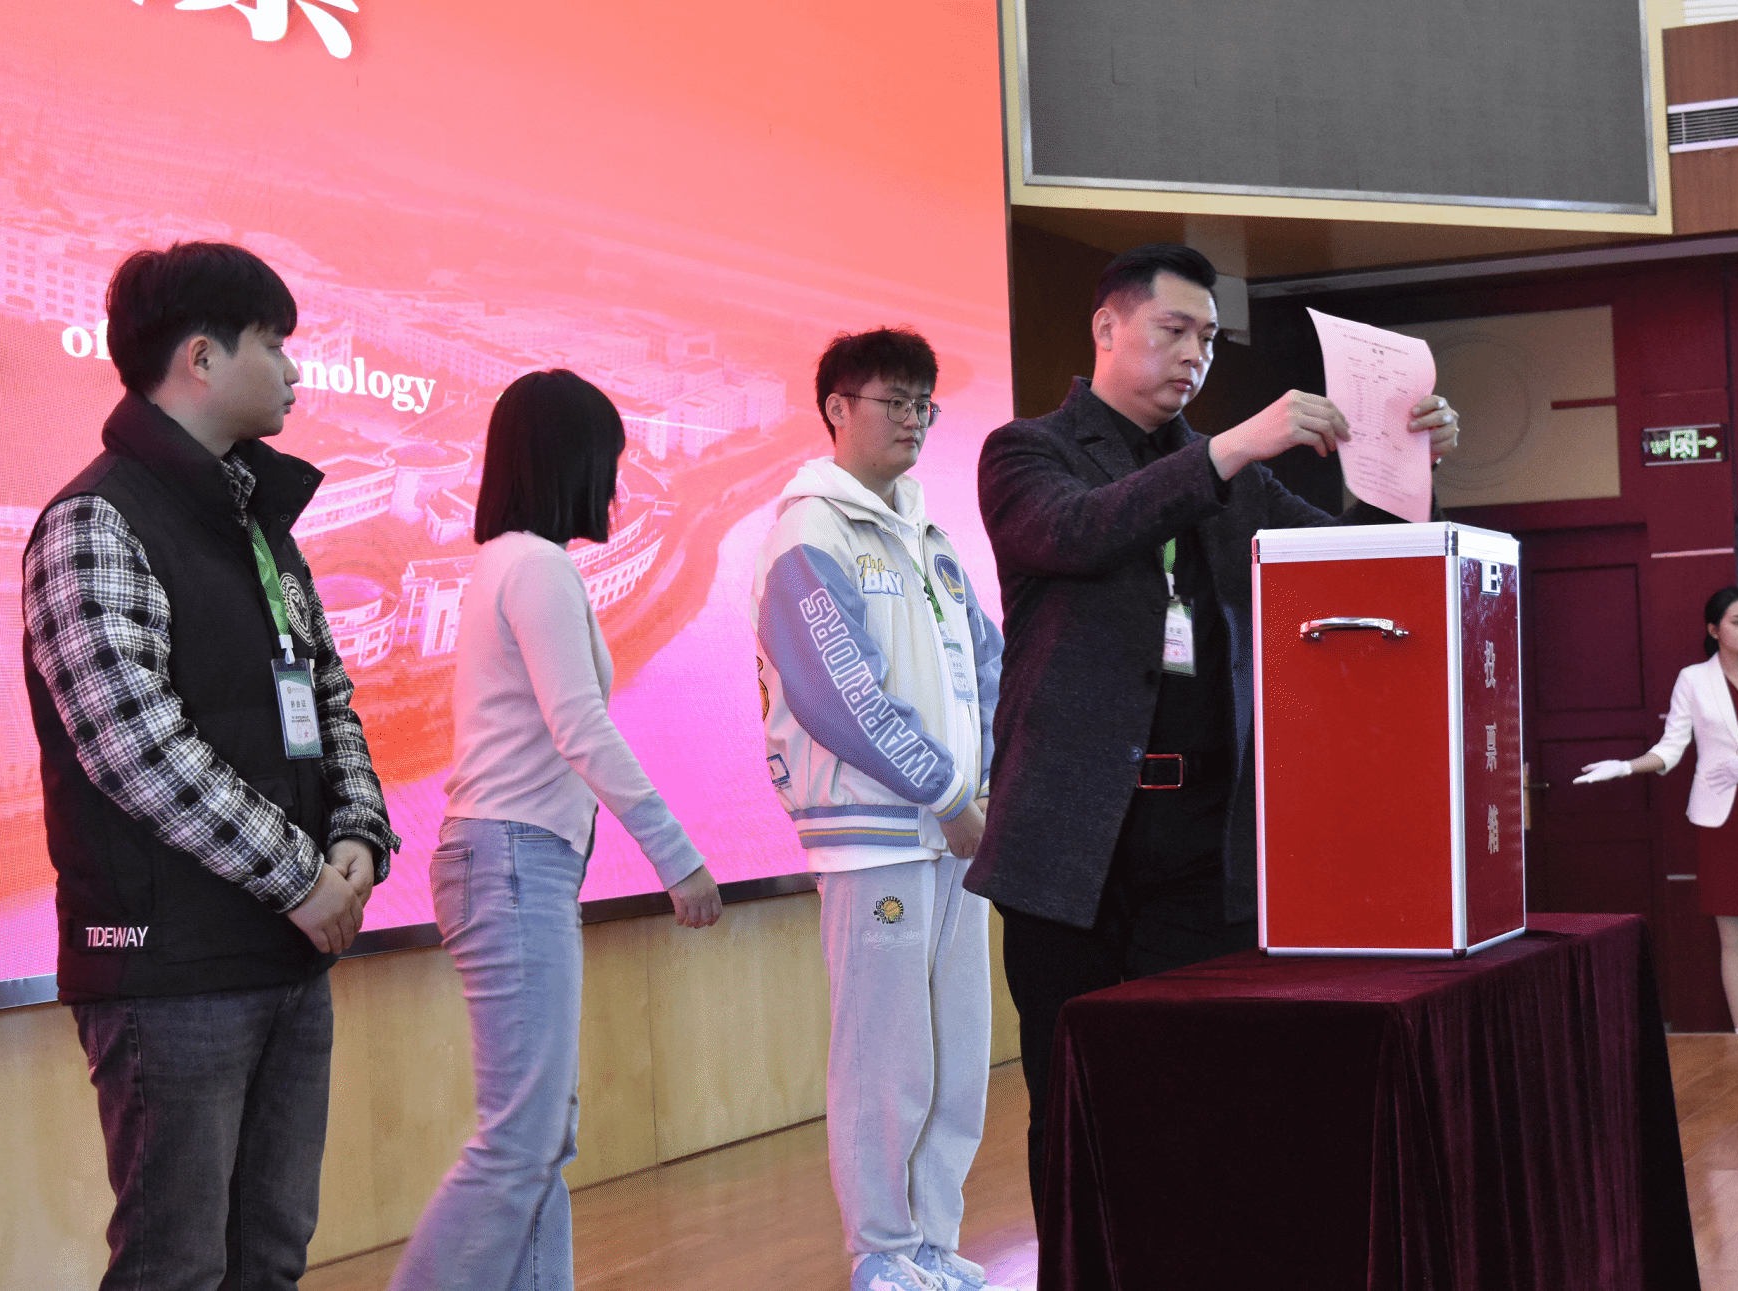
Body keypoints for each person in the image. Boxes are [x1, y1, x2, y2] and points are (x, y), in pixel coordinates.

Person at [960, 243, 1462, 1214]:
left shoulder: (1230, 478)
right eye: (1174, 329)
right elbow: (1081, 531)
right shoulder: (1026, 451)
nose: (1195, 353)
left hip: (1204, 842)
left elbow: (1352, 566)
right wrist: (1229, 448)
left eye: (1208, 337)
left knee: (1200, 1094)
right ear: (1107, 328)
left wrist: (1408, 464)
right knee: (1073, 1100)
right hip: (1069, 845)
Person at [21, 241, 398, 1290]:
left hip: (284, 954)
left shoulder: (259, 523)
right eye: (273, 344)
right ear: (200, 357)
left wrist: (358, 835)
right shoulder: (95, 521)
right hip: (171, 971)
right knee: (174, 1265)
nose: (293, 369)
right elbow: (135, 747)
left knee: (270, 1256)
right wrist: (303, 878)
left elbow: (327, 693)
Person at [390, 370, 722, 1290]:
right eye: (607, 460)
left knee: (538, 1136)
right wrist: (678, 856)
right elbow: (581, 725)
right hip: (510, 861)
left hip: (509, 860)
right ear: (567, 459)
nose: (614, 482)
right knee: (522, 1141)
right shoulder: (536, 565)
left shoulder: (512, 561)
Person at [752, 327, 1006, 1291]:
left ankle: (932, 1239)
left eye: (923, 403)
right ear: (836, 408)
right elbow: (838, 692)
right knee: (883, 1057)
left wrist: (989, 786)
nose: (913, 419)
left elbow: (989, 669)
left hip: (958, 836)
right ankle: (881, 1252)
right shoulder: (809, 533)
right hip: (876, 842)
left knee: (956, 1054)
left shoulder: (931, 540)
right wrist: (948, 792)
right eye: (893, 400)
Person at [1575, 587, 1738, 1034]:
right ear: (1714, 630)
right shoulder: (1693, 679)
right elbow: (1671, 747)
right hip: (1717, 818)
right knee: (1731, 934)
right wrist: (1624, 766)